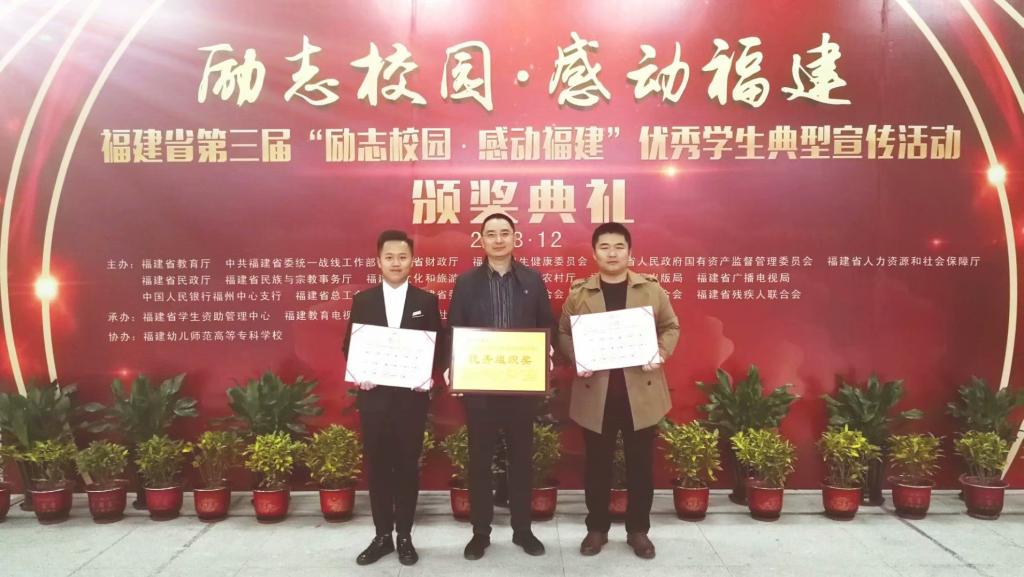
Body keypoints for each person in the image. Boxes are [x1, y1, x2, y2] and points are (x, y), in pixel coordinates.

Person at [557, 222, 680, 559]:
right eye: (605, 247)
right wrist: (576, 356)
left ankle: (638, 530)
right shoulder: (580, 293)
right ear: (594, 253)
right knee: (597, 466)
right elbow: (563, 332)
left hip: (641, 393)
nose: (612, 253)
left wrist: (660, 353)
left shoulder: (650, 290)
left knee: (640, 467)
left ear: (629, 252)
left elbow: (670, 326)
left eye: (619, 247)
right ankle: (596, 529)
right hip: (596, 395)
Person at [448, 213, 553, 560]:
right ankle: (481, 532)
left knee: (521, 459)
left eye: (504, 233)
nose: (498, 239)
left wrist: (546, 354)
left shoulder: (532, 280)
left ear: (514, 238)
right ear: (481, 240)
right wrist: (454, 368)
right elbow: (455, 328)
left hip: (520, 386)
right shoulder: (466, 283)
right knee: (479, 461)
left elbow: (545, 325)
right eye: (491, 234)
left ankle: (523, 530)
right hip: (480, 387)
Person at [342, 230, 442, 566]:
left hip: (411, 401)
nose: (396, 263)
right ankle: (382, 535)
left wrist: (428, 375)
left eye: (402, 257)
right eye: (389, 257)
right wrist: (361, 373)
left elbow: (438, 346)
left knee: (407, 468)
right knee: (378, 467)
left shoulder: (426, 301)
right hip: (374, 400)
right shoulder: (363, 300)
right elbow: (349, 346)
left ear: (412, 261)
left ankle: (405, 536)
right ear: (379, 261)